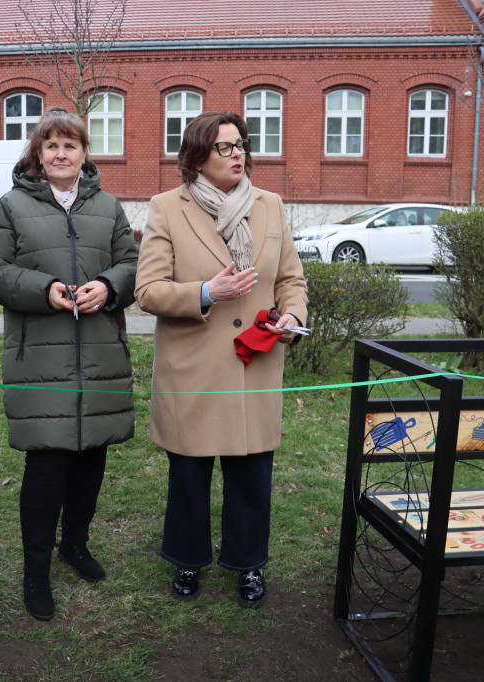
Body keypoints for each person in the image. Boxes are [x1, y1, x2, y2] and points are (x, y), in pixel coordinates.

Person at [134, 111, 308, 609]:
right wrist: (208, 292)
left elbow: (290, 280)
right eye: (225, 148)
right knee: (189, 476)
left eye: (242, 145)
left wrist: (292, 318)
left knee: (252, 476)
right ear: (197, 158)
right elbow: (147, 291)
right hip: (193, 367)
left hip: (255, 364)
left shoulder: (270, 206)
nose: (238, 155)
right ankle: (188, 559)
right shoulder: (167, 208)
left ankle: (248, 565)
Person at [0, 108, 138, 621]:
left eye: (71, 145)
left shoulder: (108, 207)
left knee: (91, 459)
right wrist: (44, 291)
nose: (62, 154)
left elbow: (132, 264)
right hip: (39, 359)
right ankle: (36, 571)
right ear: (38, 156)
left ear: (85, 154)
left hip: (99, 355)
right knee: (47, 466)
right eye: (52, 146)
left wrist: (108, 287)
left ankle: (76, 545)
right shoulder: (13, 205)